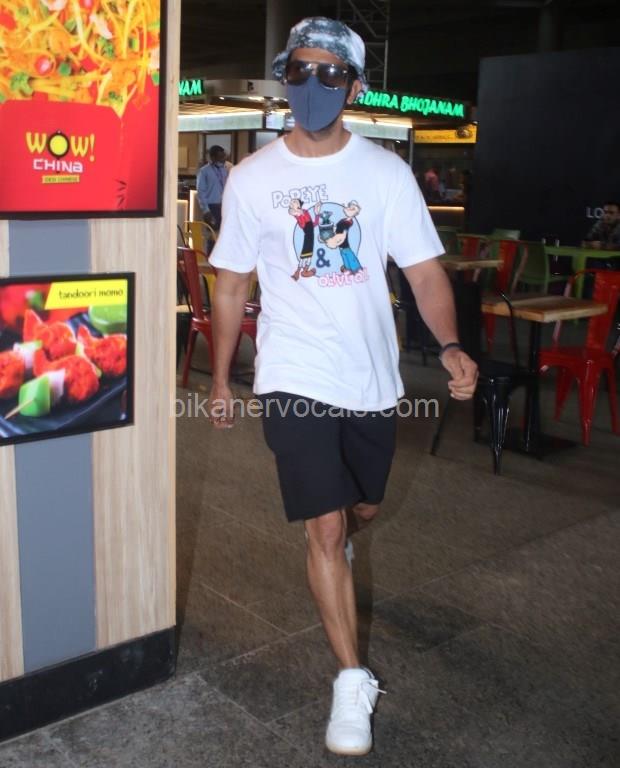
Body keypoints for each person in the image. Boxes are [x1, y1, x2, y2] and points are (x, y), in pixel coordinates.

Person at [207, 16, 478, 757]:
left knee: (362, 508)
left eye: (330, 74)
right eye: (299, 71)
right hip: (292, 373)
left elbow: (424, 271)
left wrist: (450, 344)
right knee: (324, 526)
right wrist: (223, 379)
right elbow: (230, 284)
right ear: (284, 80)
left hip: (370, 378)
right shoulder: (253, 177)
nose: (312, 86)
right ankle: (351, 679)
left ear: (354, 87)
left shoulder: (385, 174)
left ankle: (339, 538)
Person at [196, 145, 230, 230]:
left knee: (223, 233)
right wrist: (206, 210)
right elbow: (201, 192)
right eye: (220, 157)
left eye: (223, 156)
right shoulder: (204, 171)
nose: (223, 159)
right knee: (212, 234)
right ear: (213, 158)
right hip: (212, 207)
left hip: (224, 206)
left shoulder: (224, 170)